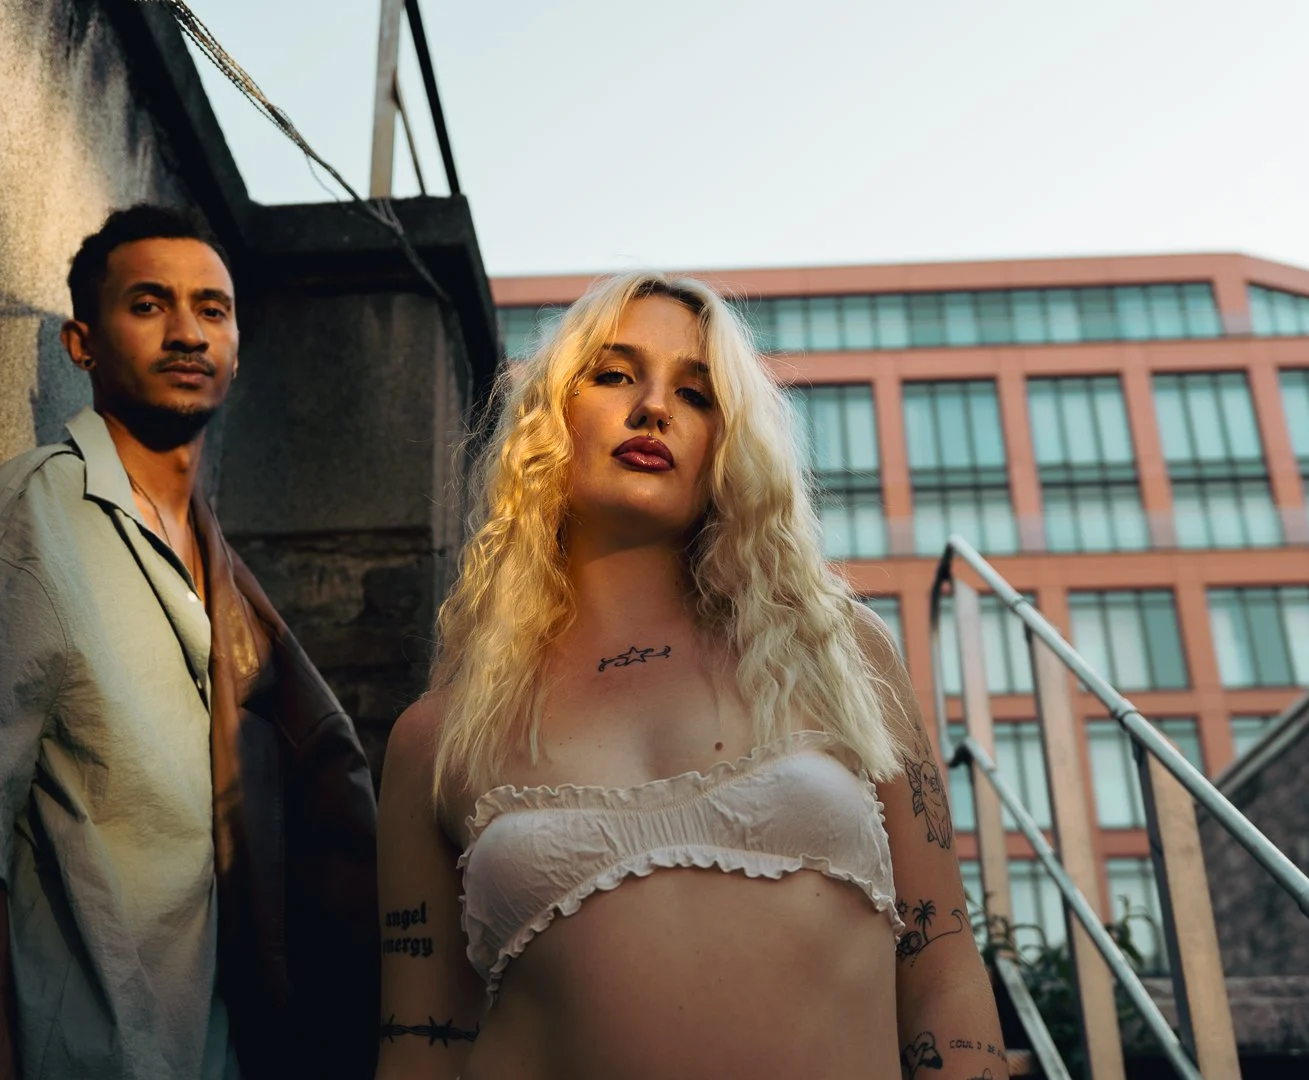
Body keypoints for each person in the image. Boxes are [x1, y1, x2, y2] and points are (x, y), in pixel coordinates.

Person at [373, 273, 1006, 1080]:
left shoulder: (839, 653)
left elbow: (943, 960)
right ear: (550, 414)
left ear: (727, 444)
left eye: (696, 394)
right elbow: (421, 1045)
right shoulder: (437, 737)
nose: (654, 408)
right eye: (614, 375)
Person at [0, 205, 378, 1080]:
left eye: (213, 309)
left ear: (237, 346)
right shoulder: (30, 520)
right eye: (149, 305)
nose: (187, 332)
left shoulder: (220, 579)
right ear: (82, 344)